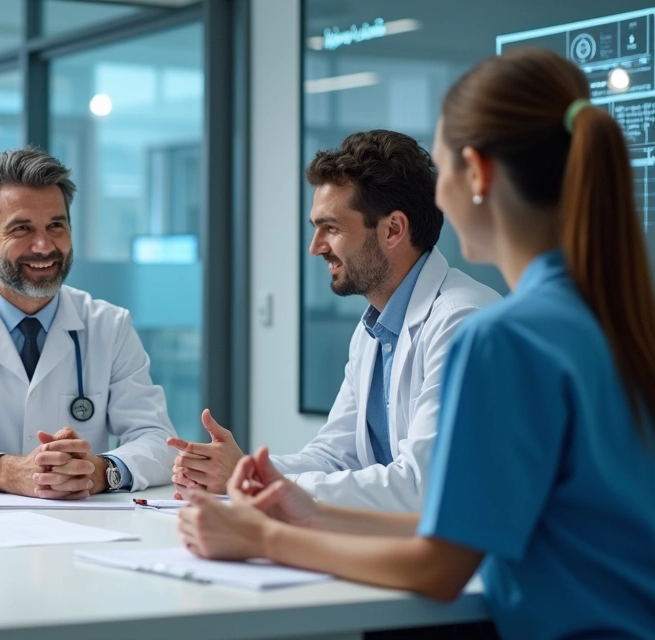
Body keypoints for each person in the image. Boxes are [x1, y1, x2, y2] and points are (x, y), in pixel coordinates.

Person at [178, 48, 655, 638]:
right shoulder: (606, 313)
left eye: (446, 171)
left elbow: (440, 565)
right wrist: (308, 507)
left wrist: (265, 538)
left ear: (476, 174)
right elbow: (473, 524)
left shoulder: (496, 333)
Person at [170, 130, 499, 511]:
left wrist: (253, 483)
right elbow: (335, 455)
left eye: (332, 228)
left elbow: (421, 484)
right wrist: (240, 471)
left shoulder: (462, 324)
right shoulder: (374, 329)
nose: (316, 247)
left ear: (393, 229)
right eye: (316, 227)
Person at [0, 147, 175, 497]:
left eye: (56, 226)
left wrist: (99, 471)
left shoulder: (109, 326)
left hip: (74, 525)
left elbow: (159, 439)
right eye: (21, 229)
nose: (43, 246)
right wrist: (9, 472)